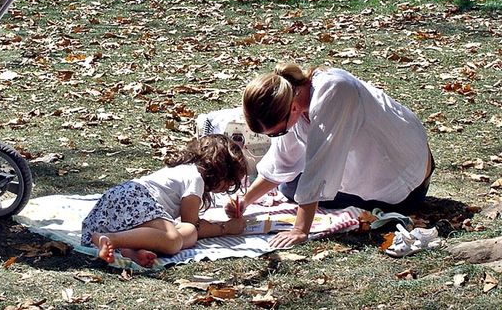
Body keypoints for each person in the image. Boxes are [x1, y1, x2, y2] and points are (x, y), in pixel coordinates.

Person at [227, 63, 434, 249]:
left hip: (404, 184)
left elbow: (321, 165)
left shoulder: (335, 91)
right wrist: (245, 201)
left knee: (297, 189)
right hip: (380, 171)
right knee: (290, 187)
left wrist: (300, 230)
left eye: (277, 132)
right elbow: (282, 163)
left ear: (292, 107)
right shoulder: (294, 99)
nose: (277, 137)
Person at [82, 134, 247, 268]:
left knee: (189, 232)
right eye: (230, 182)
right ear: (220, 170)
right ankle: (112, 239)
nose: (229, 187)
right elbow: (194, 221)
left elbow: (190, 227)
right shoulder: (195, 178)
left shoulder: (182, 171)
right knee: (173, 239)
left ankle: (130, 250)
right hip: (136, 198)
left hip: (117, 206)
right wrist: (225, 228)